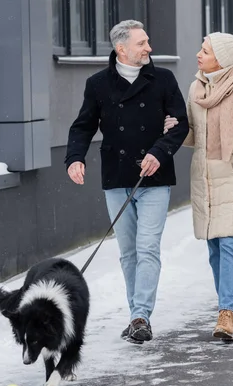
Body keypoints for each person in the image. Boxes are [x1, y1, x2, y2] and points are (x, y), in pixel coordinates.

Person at [65, 20, 189, 344]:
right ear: (122, 49)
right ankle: (138, 316)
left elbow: (180, 124)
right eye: (142, 43)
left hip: (154, 178)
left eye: (147, 42)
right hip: (117, 178)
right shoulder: (98, 85)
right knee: (128, 252)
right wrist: (74, 158)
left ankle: (139, 316)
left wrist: (160, 152)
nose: (149, 48)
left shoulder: (163, 79)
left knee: (148, 247)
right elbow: (82, 126)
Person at [167, 32, 233, 341]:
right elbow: (196, 135)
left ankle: (227, 313)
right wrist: (174, 130)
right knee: (214, 249)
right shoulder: (197, 88)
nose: (198, 54)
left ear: (222, 58)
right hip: (205, 179)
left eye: (205, 50)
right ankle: (226, 307)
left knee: (229, 245)